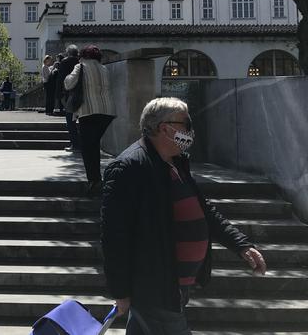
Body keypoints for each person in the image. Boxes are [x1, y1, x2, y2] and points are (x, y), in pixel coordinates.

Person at [102, 97, 267, 334]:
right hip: (155, 285)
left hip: (175, 283)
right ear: (164, 128)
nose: (190, 130)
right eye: (185, 123)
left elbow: (203, 210)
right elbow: (114, 237)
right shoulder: (129, 168)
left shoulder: (176, 162)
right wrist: (120, 291)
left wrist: (241, 245)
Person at [64, 45, 115, 196]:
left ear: (83, 55)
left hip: (89, 111)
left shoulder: (80, 67)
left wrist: (69, 74)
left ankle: (94, 181)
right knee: (93, 144)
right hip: (107, 112)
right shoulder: (103, 68)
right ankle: (96, 180)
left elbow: (68, 84)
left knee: (87, 147)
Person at [58, 45, 80, 152]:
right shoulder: (81, 62)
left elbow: (60, 79)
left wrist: (59, 95)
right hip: (82, 93)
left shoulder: (64, 62)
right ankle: (80, 143)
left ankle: (74, 144)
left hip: (69, 94)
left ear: (68, 53)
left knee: (70, 120)